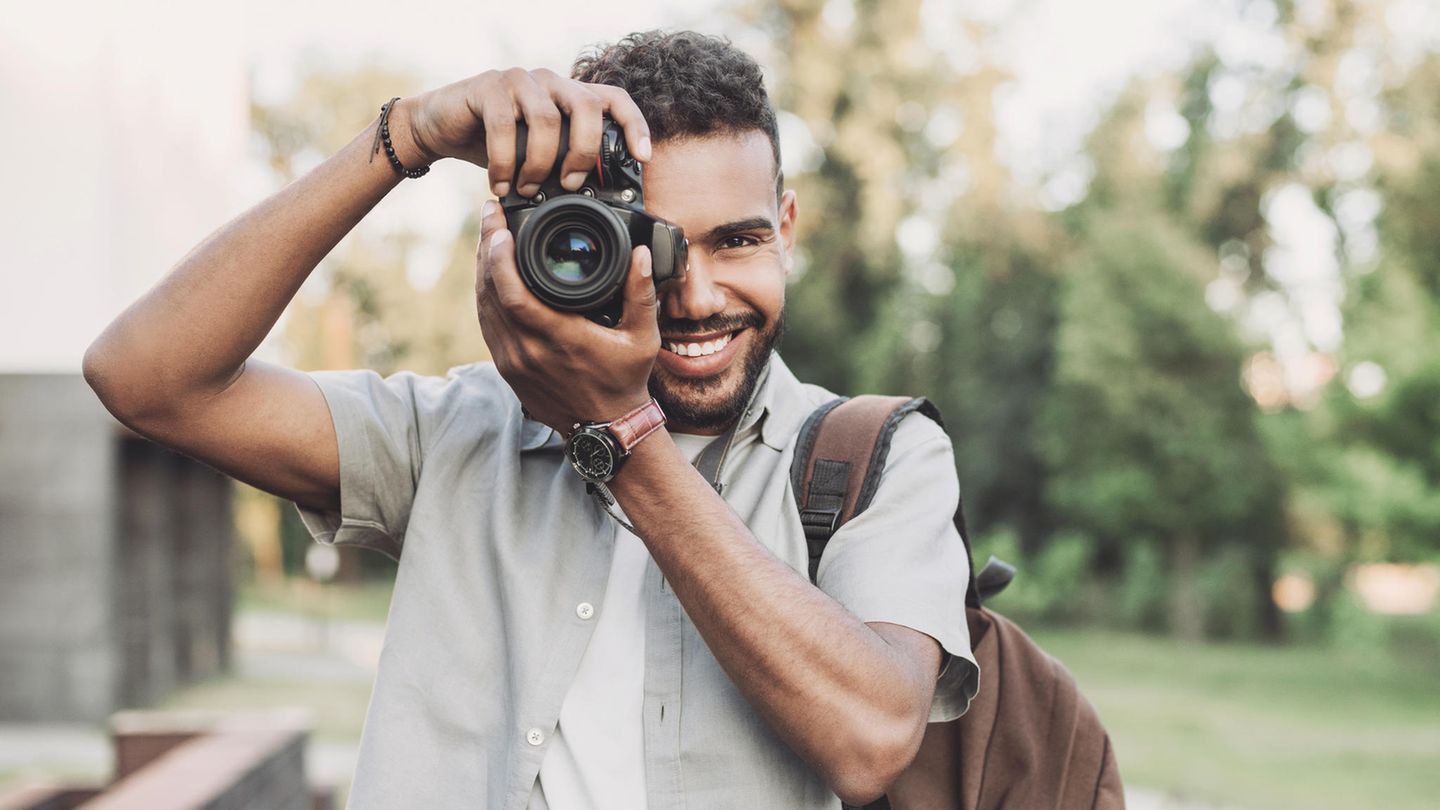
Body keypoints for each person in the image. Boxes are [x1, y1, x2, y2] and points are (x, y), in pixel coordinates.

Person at [84, 30, 978, 810]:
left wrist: (620, 432)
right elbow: (148, 380)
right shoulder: (455, 434)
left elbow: (870, 740)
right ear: (561, 240)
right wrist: (405, 136)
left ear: (786, 227)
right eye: (655, 245)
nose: (699, 296)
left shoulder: (877, 455)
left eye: (738, 241)